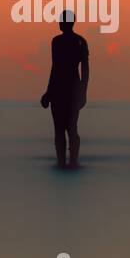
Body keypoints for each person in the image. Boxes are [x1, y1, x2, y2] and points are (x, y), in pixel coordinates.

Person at [40, 11, 89, 169]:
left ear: (68, 23)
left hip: (69, 91)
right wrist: (48, 92)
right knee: (63, 129)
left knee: (68, 128)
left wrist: (82, 92)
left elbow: (85, 70)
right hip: (62, 91)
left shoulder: (78, 42)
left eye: (61, 21)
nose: (59, 23)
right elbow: (55, 69)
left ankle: (70, 161)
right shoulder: (59, 42)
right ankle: (64, 161)